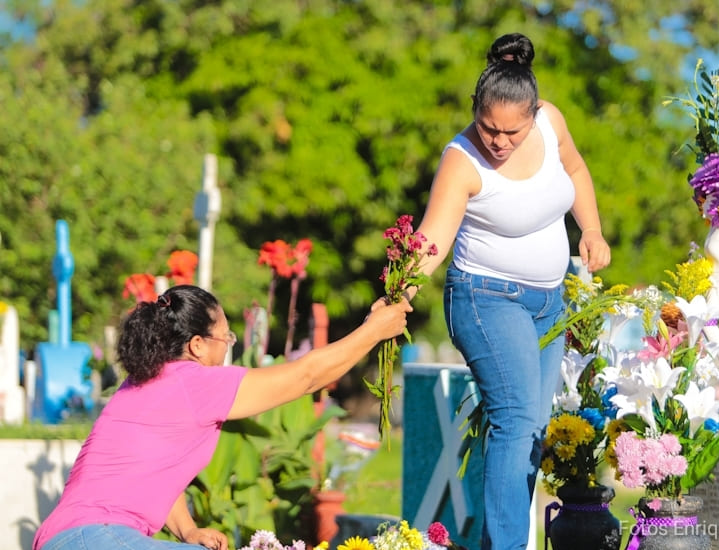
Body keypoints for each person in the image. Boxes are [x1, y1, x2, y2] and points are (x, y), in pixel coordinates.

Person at [410, 33, 611, 549]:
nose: (498, 141)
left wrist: (590, 230)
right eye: (488, 128)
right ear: (475, 111)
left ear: (534, 113)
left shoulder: (552, 120)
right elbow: (433, 240)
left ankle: (496, 540)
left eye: (511, 131)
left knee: (531, 431)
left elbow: (575, 168)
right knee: (517, 419)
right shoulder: (461, 160)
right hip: (485, 299)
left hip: (548, 303)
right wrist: (399, 292)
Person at [33, 284, 411, 550]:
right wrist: (373, 331)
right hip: (98, 537)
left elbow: (152, 474)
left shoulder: (140, 384)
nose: (229, 349)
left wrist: (187, 530)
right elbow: (307, 375)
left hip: (63, 536)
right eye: (226, 339)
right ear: (197, 345)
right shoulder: (195, 381)